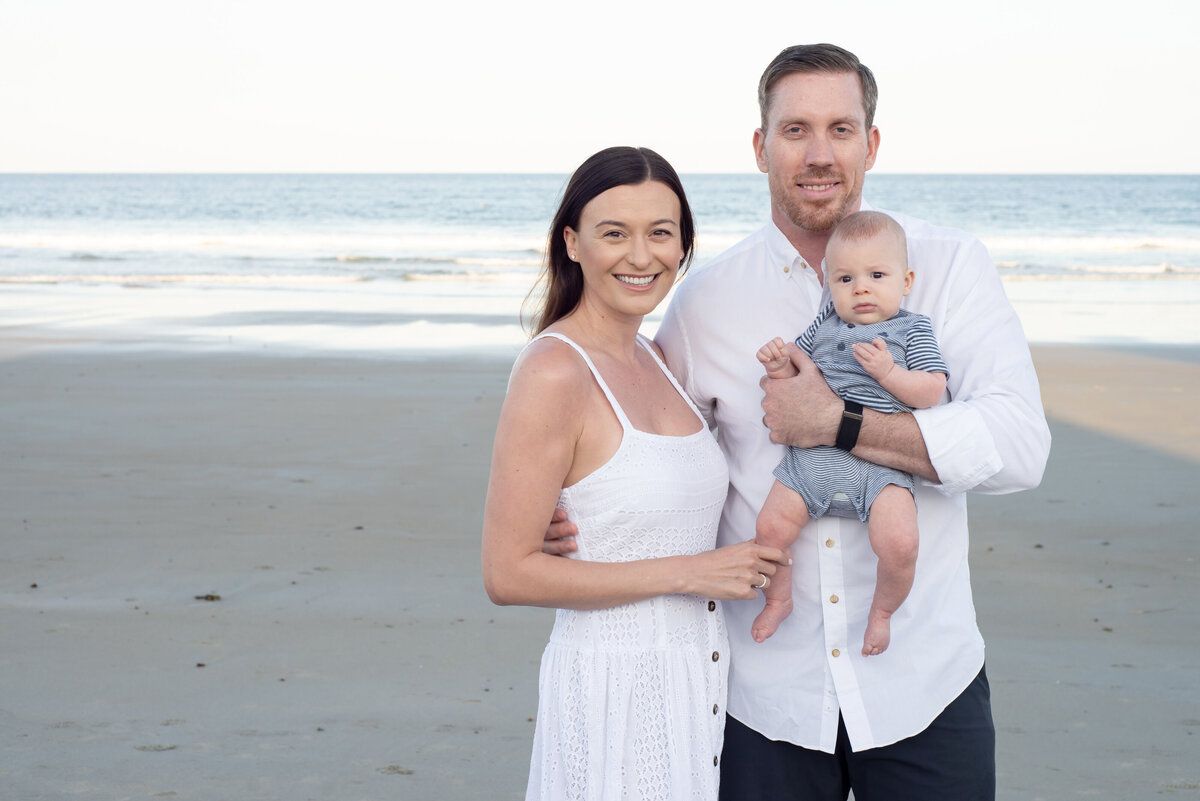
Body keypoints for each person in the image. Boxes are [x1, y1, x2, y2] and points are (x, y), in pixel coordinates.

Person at [547, 45, 1050, 799]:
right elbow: (656, 449)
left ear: (872, 143)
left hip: (925, 680)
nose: (819, 155)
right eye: (795, 130)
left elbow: (1019, 447)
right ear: (760, 147)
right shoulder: (707, 301)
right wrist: (582, 508)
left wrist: (841, 424)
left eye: (842, 129)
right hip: (760, 696)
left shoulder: (948, 267)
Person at [482, 145, 790, 801]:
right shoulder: (553, 369)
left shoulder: (656, 358)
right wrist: (689, 570)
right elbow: (506, 573)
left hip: (696, 684)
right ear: (572, 241)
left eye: (660, 233)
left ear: (683, 247)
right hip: (613, 693)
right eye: (614, 233)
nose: (640, 255)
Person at [752, 210, 948, 655]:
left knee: (900, 542)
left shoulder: (912, 328)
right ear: (829, 283)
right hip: (810, 464)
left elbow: (932, 390)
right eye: (844, 279)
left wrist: (890, 373)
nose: (860, 287)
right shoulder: (825, 323)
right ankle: (778, 598)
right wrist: (778, 363)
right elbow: (797, 371)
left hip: (879, 468)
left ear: (906, 280)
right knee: (768, 528)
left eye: (877, 275)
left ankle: (881, 614)